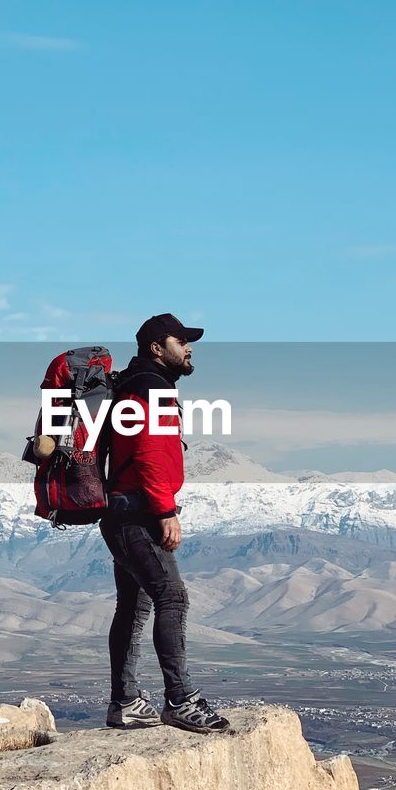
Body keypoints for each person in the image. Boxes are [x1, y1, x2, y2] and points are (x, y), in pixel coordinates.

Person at [100, 313, 230, 733]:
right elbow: (150, 452)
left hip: (118, 511)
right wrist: (164, 511)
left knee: (134, 607)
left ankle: (125, 702)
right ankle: (181, 699)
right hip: (139, 512)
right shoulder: (152, 387)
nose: (189, 348)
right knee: (172, 598)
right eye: (182, 341)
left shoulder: (132, 384)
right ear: (158, 348)